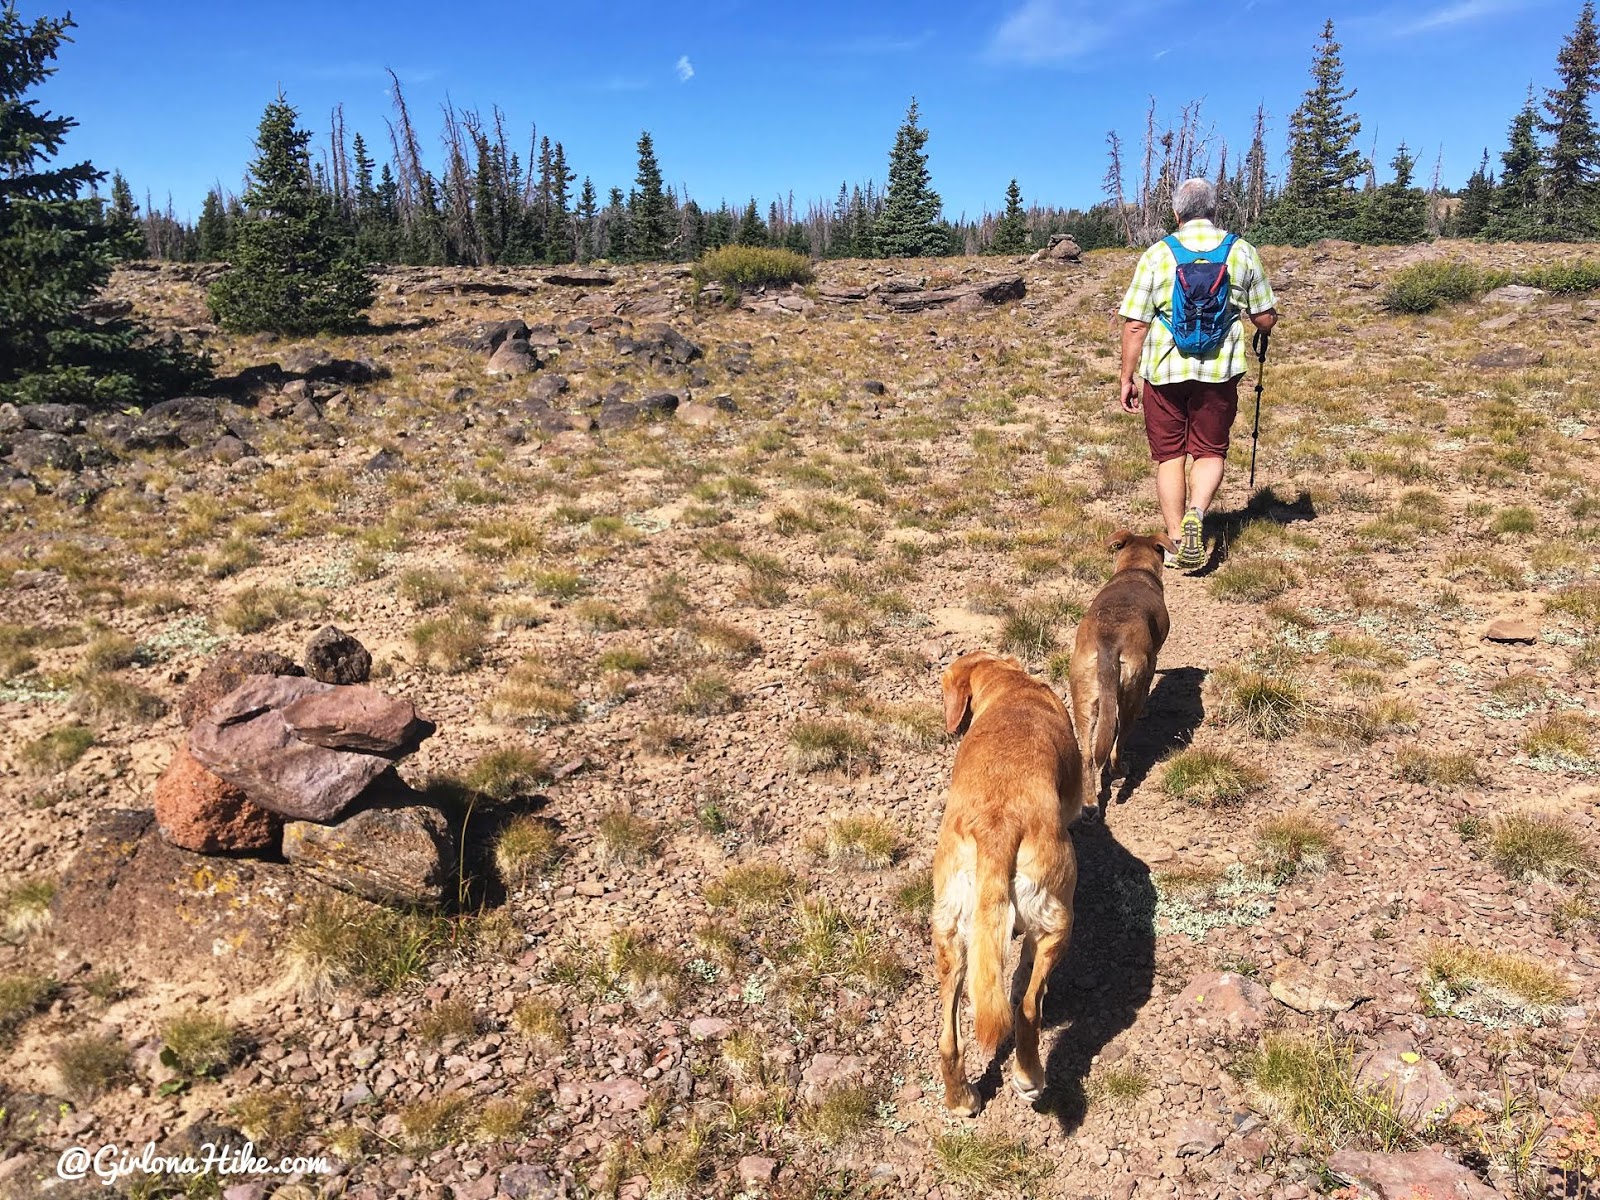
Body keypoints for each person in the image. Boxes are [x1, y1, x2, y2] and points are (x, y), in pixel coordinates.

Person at [1117, 177, 1278, 570]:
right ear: (1214, 209)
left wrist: (1127, 376)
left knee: (1169, 455)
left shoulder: (1157, 254)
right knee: (1209, 450)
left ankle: (1175, 540)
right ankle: (1197, 514)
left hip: (1164, 371)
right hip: (1219, 372)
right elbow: (1265, 318)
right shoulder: (1241, 252)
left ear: (1177, 213)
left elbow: (1135, 323)